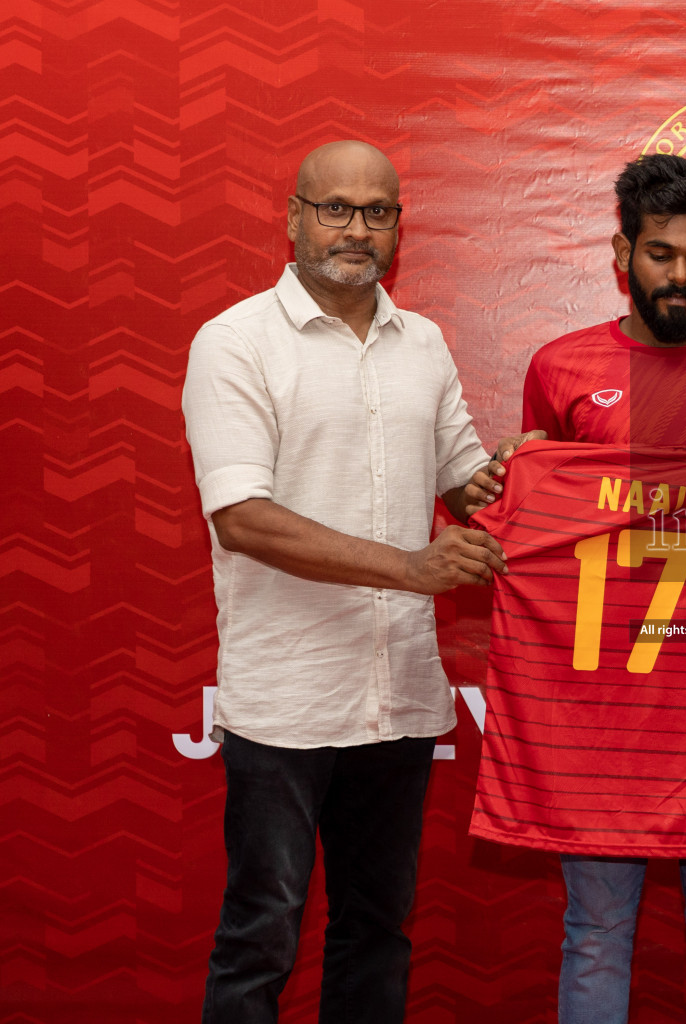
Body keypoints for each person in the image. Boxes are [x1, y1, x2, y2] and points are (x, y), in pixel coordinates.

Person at [465, 153, 686, 1024]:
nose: (680, 276)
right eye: (660, 254)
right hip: (595, 714)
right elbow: (526, 506)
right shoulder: (562, 365)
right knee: (595, 930)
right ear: (622, 253)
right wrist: (513, 475)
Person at [182, 140, 509, 1024]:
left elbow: (461, 480)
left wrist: (525, 477)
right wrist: (411, 566)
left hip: (397, 694)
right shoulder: (234, 343)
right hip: (286, 700)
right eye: (335, 208)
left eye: (376, 212)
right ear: (293, 218)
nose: (355, 230)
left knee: (375, 931)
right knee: (261, 933)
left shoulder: (425, 343)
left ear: (399, 227)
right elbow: (241, 516)